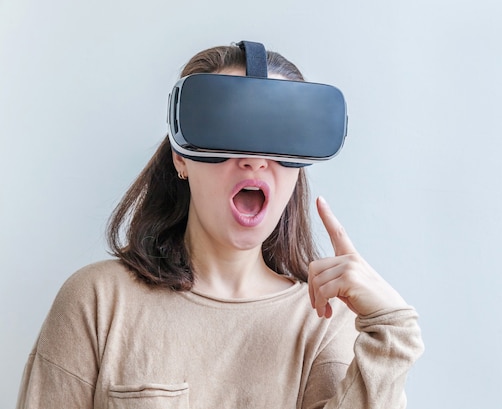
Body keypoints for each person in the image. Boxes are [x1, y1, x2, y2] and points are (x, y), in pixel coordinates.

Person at [16, 43, 424, 409]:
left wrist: (392, 330)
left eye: (278, 137)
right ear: (181, 158)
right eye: (227, 131)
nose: (253, 160)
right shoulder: (99, 302)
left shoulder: (323, 323)